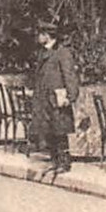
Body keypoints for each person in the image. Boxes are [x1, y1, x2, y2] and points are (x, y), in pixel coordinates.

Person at [30, 20, 78, 173]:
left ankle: (64, 162)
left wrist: (71, 96)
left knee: (60, 130)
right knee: (48, 129)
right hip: (44, 98)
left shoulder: (62, 52)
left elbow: (69, 75)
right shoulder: (42, 52)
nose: (38, 37)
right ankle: (54, 160)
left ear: (48, 35)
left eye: (40, 34)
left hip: (57, 98)